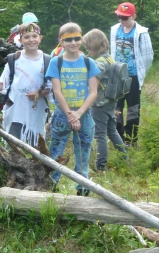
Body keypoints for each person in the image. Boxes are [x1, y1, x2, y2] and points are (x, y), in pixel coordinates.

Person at [45, 22, 101, 196]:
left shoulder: (88, 62)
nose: (73, 42)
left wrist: (78, 113)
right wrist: (70, 114)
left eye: (77, 38)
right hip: (62, 115)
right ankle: (49, 186)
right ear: (61, 41)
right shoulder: (56, 62)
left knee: (83, 152)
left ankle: (82, 189)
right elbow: (57, 91)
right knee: (55, 151)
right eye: (68, 39)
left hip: (84, 114)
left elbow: (93, 92)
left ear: (81, 39)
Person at [0, 22, 50, 147]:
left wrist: (40, 93)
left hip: (36, 108)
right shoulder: (14, 59)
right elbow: (2, 82)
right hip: (16, 107)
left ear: (40, 38)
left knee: (37, 143)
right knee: (13, 142)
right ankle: (13, 163)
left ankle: (36, 165)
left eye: (34, 36)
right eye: (27, 37)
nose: (31, 40)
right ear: (21, 40)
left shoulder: (47, 60)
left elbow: (51, 86)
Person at [82, 29, 127, 172]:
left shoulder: (99, 63)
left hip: (99, 103)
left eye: (88, 47)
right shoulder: (110, 58)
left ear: (93, 46)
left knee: (100, 135)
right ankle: (123, 157)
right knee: (112, 130)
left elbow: (91, 80)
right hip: (111, 101)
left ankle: (100, 166)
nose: (86, 49)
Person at [110, 2, 153, 146]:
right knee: (117, 107)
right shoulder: (115, 30)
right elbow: (113, 52)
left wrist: (141, 74)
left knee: (133, 108)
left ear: (133, 16)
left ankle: (131, 139)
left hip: (134, 75)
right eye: (119, 17)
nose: (122, 20)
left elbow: (148, 56)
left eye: (125, 18)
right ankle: (118, 137)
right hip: (118, 75)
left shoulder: (141, 32)